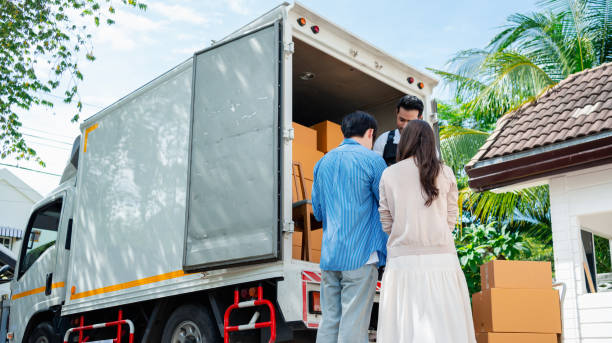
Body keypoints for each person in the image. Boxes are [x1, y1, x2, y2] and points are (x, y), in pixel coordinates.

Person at [376, 120, 476, 343]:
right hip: (443, 261)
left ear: (405, 142)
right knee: (446, 327)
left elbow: (386, 222)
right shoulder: (446, 172)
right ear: (431, 142)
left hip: (403, 263)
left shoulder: (389, 174)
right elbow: (451, 218)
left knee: (405, 329)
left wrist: (405, 234)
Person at [311, 111, 388, 343]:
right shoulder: (373, 161)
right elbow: (386, 206)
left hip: (330, 257)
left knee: (329, 322)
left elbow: (318, 212)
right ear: (371, 133)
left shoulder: (322, 162)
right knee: (353, 327)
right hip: (360, 256)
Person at [373, 95, 424, 166]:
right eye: (402, 120)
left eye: (410, 122)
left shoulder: (427, 143)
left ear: (420, 119)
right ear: (397, 112)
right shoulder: (383, 140)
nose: (405, 126)